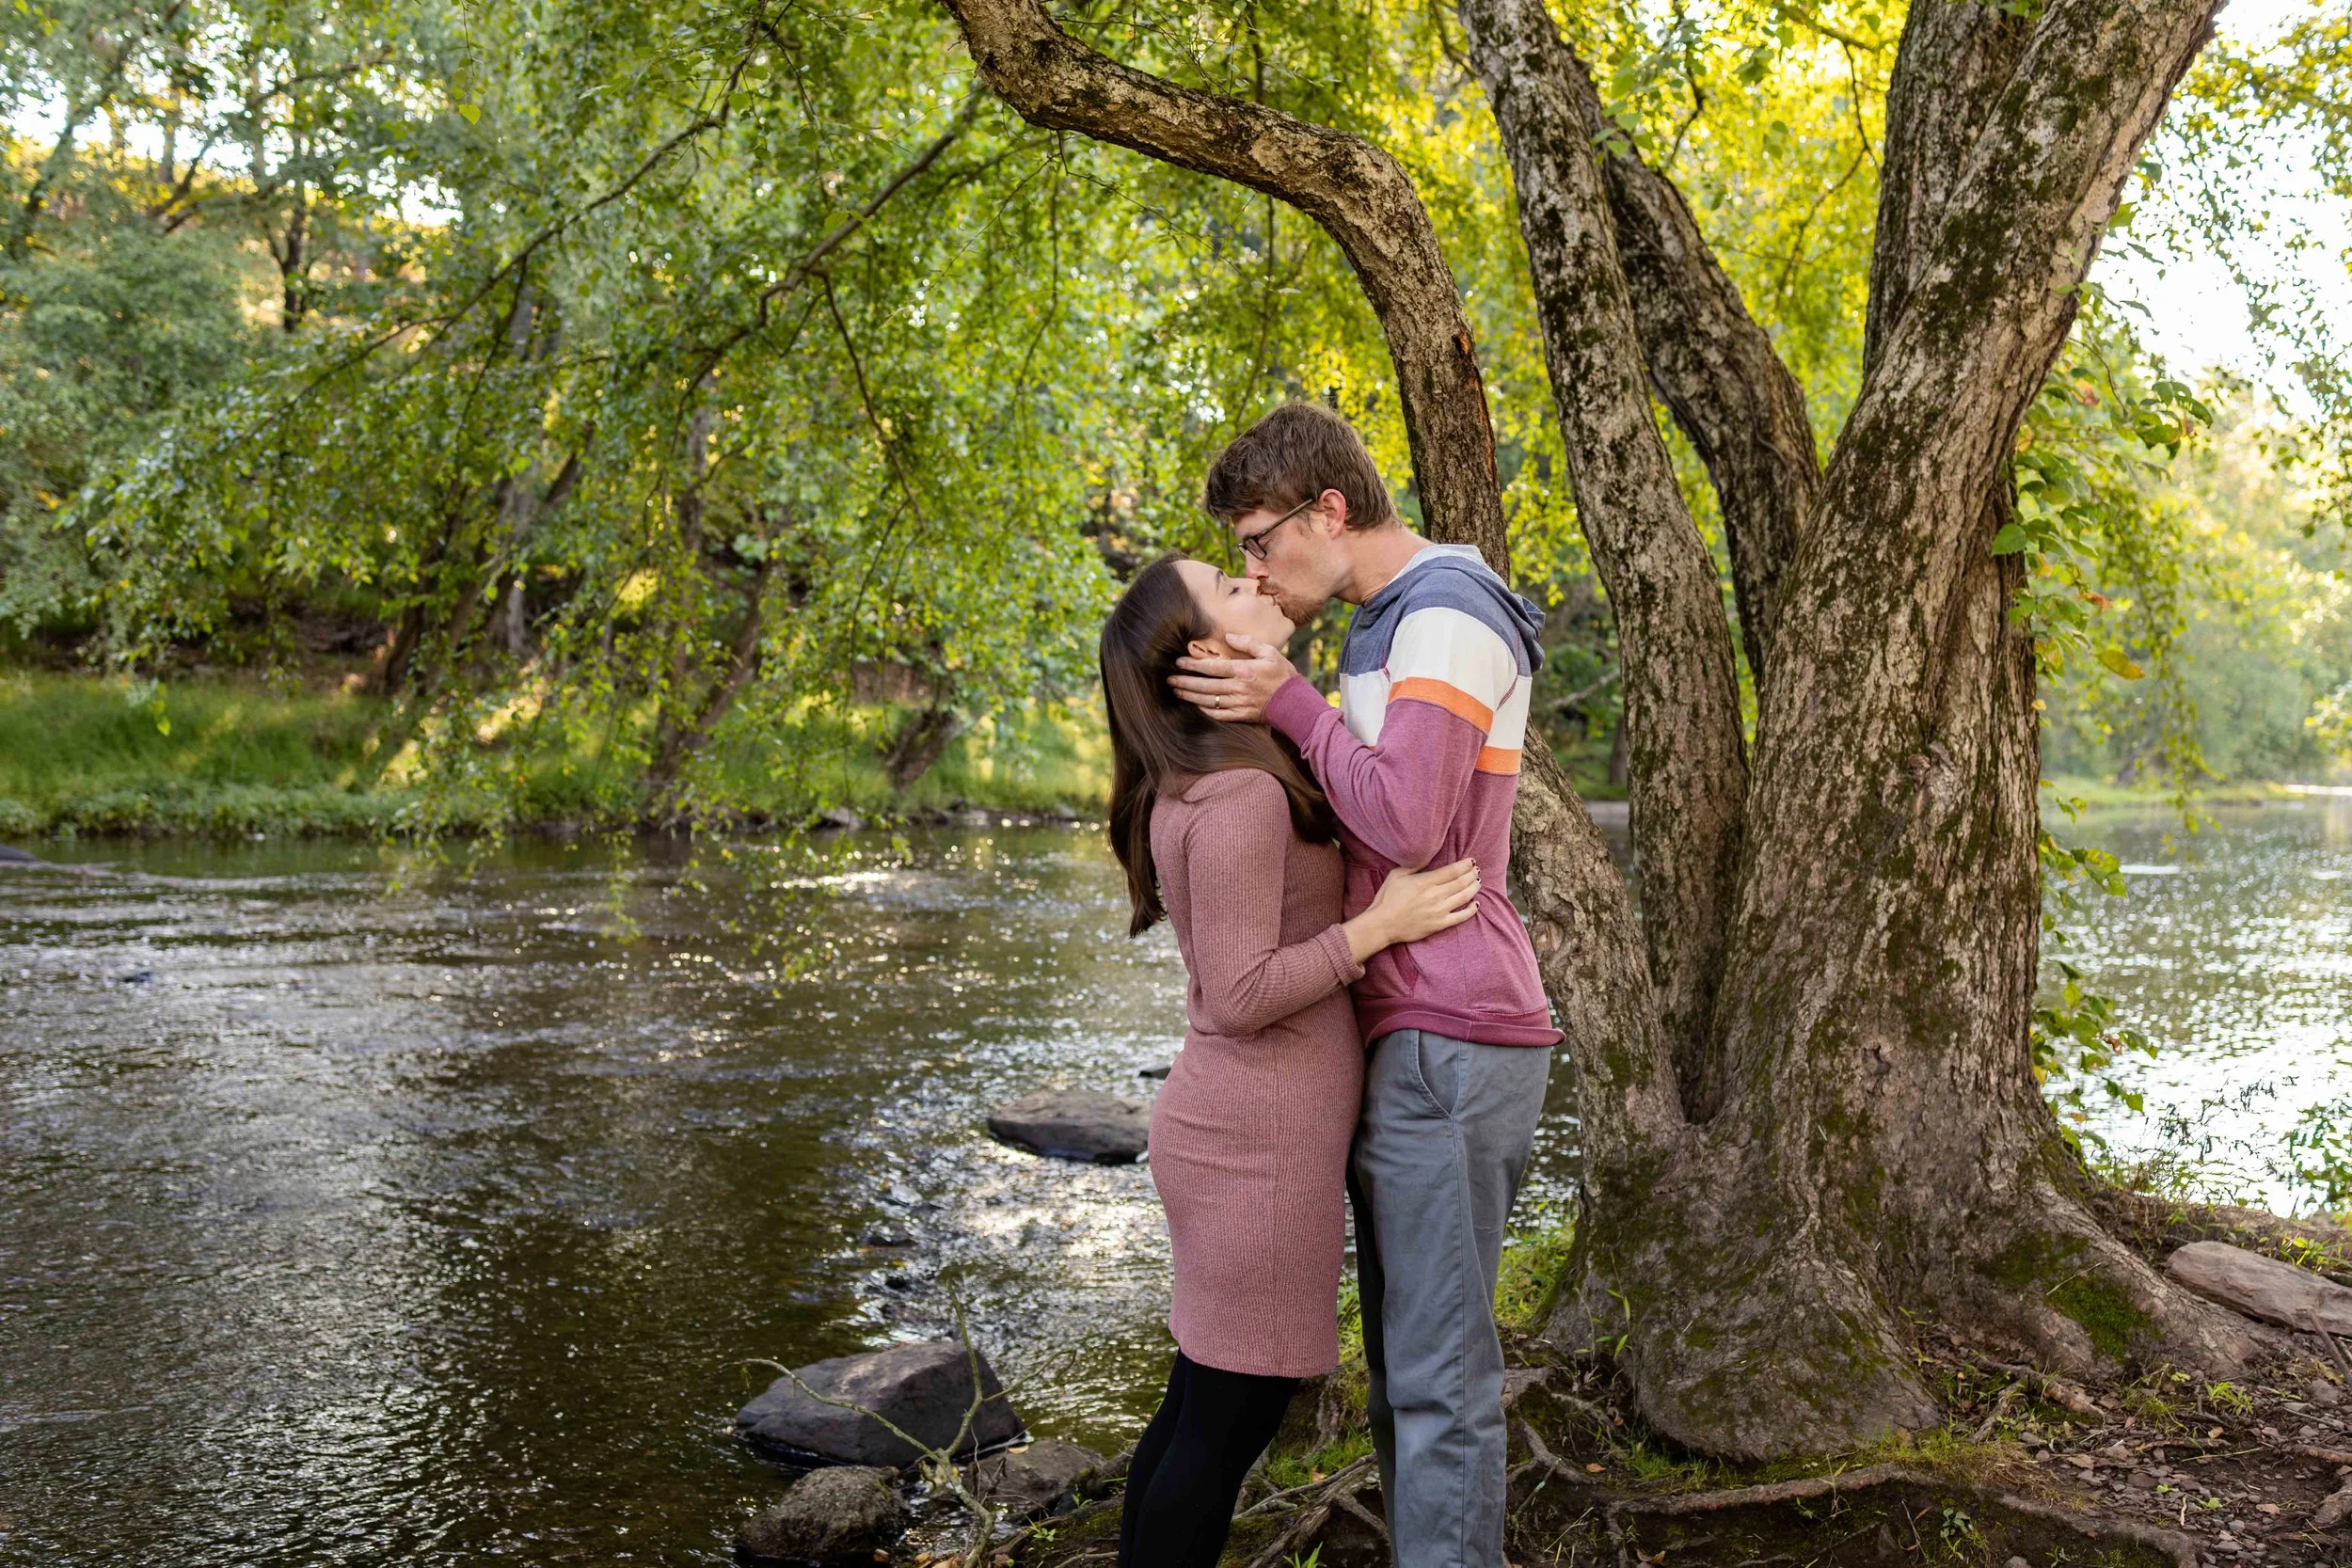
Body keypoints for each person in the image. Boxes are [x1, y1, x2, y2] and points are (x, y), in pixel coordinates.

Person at [1169, 403, 1560, 1568]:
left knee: (1436, 1382)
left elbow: (1406, 816)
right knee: (1405, 1373)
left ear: (1326, 510)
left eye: (1256, 541)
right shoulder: (1387, 624)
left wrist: (1287, 699)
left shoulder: (1441, 612)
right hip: (1417, 1023)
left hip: (1455, 1025)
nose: (1254, 568)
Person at [1099, 552, 1483, 1568]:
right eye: (1228, 588)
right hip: (1251, 1148)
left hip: (1246, 1135)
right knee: (1225, 1419)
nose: (1254, 583)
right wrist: (1380, 925)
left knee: (1200, 1407)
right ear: (1202, 655)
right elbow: (1238, 994)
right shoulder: (1237, 798)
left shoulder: (1227, 771)